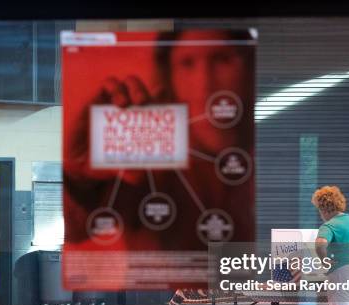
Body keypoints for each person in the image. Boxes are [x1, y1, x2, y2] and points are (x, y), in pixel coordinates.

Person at [63, 30, 256, 289]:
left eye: (222, 59)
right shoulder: (146, 161)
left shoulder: (272, 156)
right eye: (187, 64)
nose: (205, 84)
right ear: (170, 77)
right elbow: (79, 232)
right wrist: (79, 177)